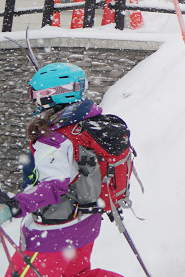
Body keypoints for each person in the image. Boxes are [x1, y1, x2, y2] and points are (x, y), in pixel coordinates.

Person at [0, 63, 123, 277]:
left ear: (56, 95)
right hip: (86, 224)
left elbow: (53, 187)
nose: (34, 101)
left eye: (38, 95)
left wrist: (14, 206)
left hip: (53, 234)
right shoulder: (89, 123)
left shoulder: (54, 140)